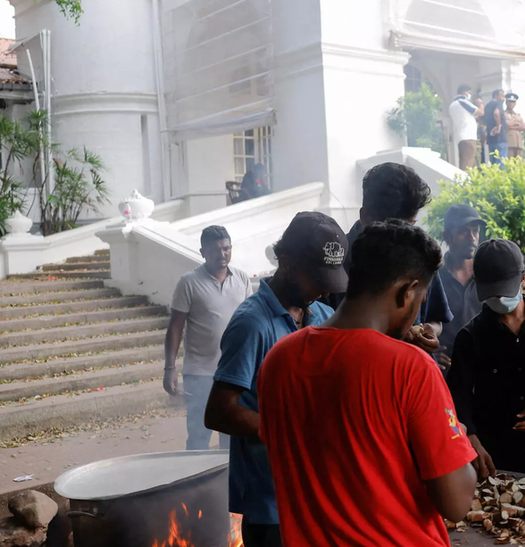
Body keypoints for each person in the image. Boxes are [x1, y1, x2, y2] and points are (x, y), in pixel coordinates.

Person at [257, 220, 477, 547]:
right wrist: (455, 431)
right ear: (406, 291)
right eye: (420, 300)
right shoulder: (411, 368)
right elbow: (457, 503)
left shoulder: (278, 359)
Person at [205, 212, 348, 547]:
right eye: (317, 278)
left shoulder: (324, 316)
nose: (325, 291)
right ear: (286, 264)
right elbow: (218, 412)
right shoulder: (252, 323)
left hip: (320, 494)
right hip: (272, 506)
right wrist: (291, 431)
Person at [447, 239, 525, 478]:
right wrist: (472, 441)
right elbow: (458, 399)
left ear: (523, 279)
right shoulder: (470, 337)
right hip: (495, 460)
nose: (498, 298)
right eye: (491, 292)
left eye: (503, 290)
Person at [324, 163, 453, 362]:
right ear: (365, 216)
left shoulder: (419, 253)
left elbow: (436, 318)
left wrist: (428, 332)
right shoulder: (334, 261)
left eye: (409, 226)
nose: (402, 238)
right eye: (391, 226)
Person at [164, 225, 253, 450]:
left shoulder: (242, 279)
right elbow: (175, 327)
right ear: (203, 252)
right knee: (198, 435)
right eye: (215, 250)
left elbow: (252, 322)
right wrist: (169, 368)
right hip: (200, 373)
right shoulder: (188, 282)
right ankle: (194, 483)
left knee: (231, 435)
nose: (222, 255)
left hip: (235, 372)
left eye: (226, 249)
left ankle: (226, 484)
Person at [436, 204, 487, 366]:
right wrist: (428, 352)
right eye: (463, 232)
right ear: (446, 236)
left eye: (475, 231)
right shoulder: (434, 278)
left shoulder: (487, 274)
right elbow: (419, 324)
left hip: (484, 367)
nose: (471, 238)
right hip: (448, 370)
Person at [449, 84, 484, 170]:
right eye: (469, 92)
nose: (469, 94)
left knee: (465, 161)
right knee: (468, 164)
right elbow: (481, 112)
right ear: (464, 92)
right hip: (468, 136)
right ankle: (465, 182)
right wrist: (480, 103)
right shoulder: (462, 102)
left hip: (461, 137)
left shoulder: (453, 105)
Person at [484, 89, 508, 165]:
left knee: (493, 162)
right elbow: (496, 113)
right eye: (502, 96)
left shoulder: (487, 106)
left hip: (491, 137)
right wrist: (499, 126)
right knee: (501, 161)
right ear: (496, 96)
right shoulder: (498, 103)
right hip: (500, 137)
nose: (503, 98)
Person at [503, 93, 525, 159]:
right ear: (506, 102)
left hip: (518, 142)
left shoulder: (518, 115)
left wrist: (513, 126)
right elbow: (505, 125)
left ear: (515, 104)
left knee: (518, 162)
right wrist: (518, 126)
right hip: (509, 141)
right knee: (509, 160)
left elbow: (524, 126)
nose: (511, 104)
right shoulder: (503, 114)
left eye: (513, 102)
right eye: (509, 102)